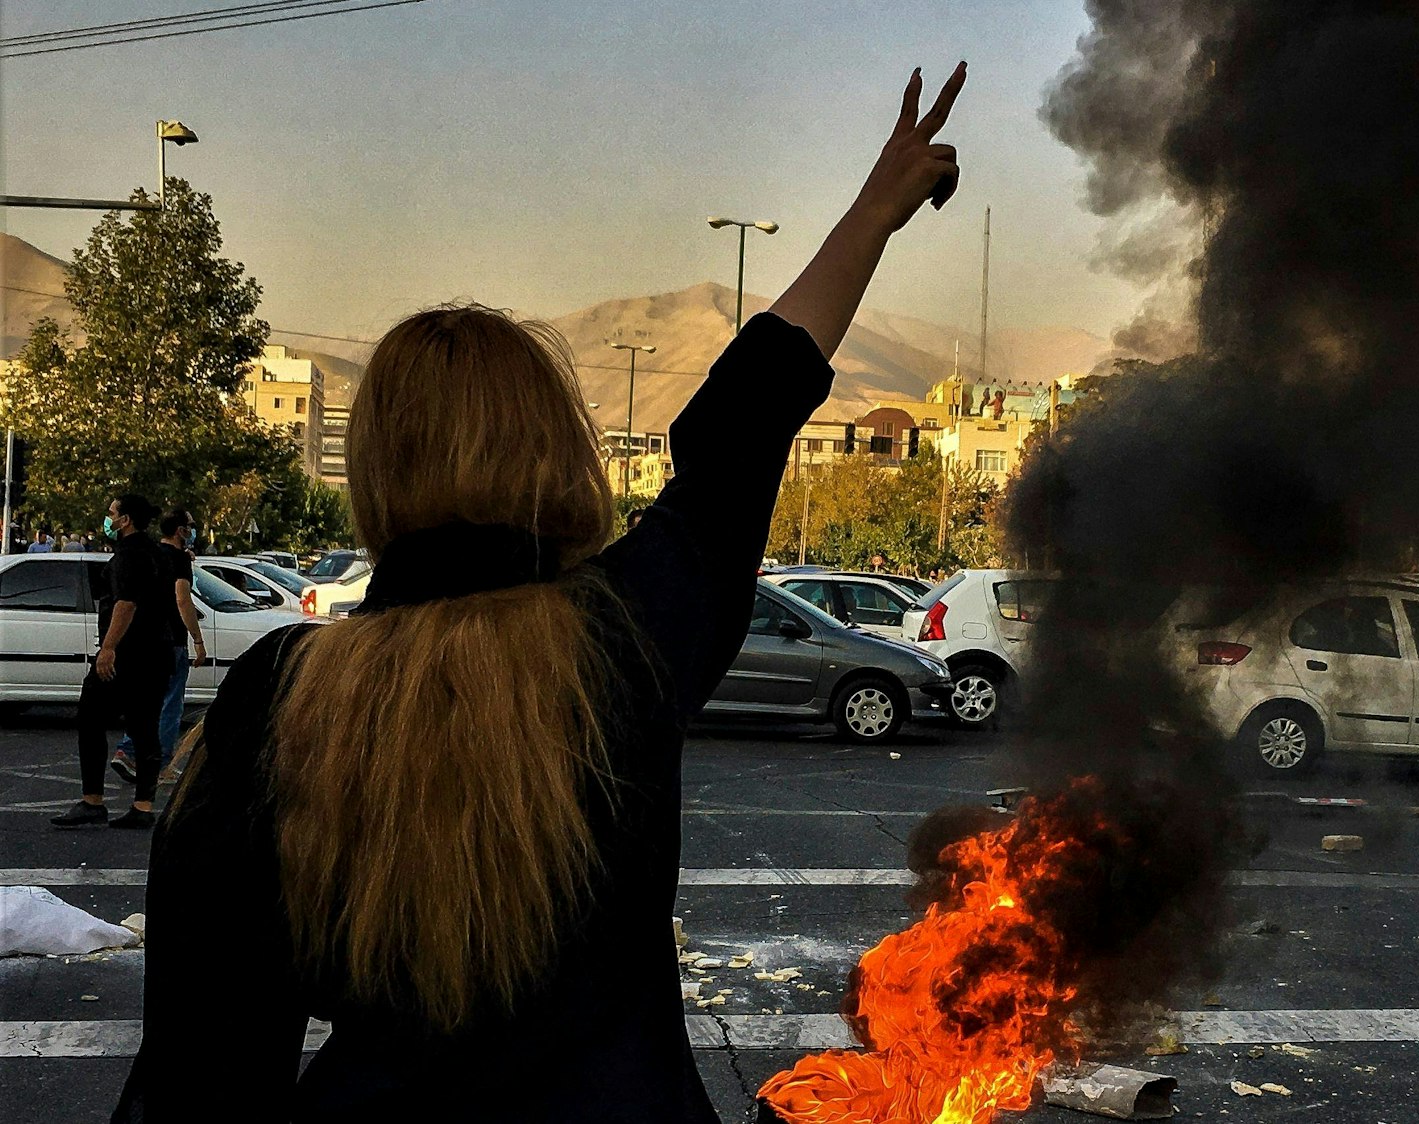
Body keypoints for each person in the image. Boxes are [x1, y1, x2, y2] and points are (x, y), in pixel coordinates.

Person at [113, 62, 965, 1123]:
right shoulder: (625, 633)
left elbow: (202, 1067)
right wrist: (873, 213)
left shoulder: (278, 698)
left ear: (376, 472)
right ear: (558, 449)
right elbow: (742, 424)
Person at [51, 495, 176, 829]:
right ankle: (143, 806)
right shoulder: (156, 552)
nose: (107, 519)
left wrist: (108, 649)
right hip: (157, 654)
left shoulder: (128, 555)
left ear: (126, 520)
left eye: (111, 514)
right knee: (146, 727)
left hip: (129, 656)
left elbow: (126, 604)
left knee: (90, 717)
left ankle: (92, 801)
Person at [110, 510, 207, 788]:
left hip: (144, 637)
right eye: (190, 526)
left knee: (145, 700)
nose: (193, 530)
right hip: (171, 640)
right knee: (170, 703)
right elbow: (182, 599)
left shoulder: (151, 553)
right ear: (180, 530)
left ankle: (128, 751)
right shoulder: (178, 560)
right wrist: (197, 639)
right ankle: (160, 763)